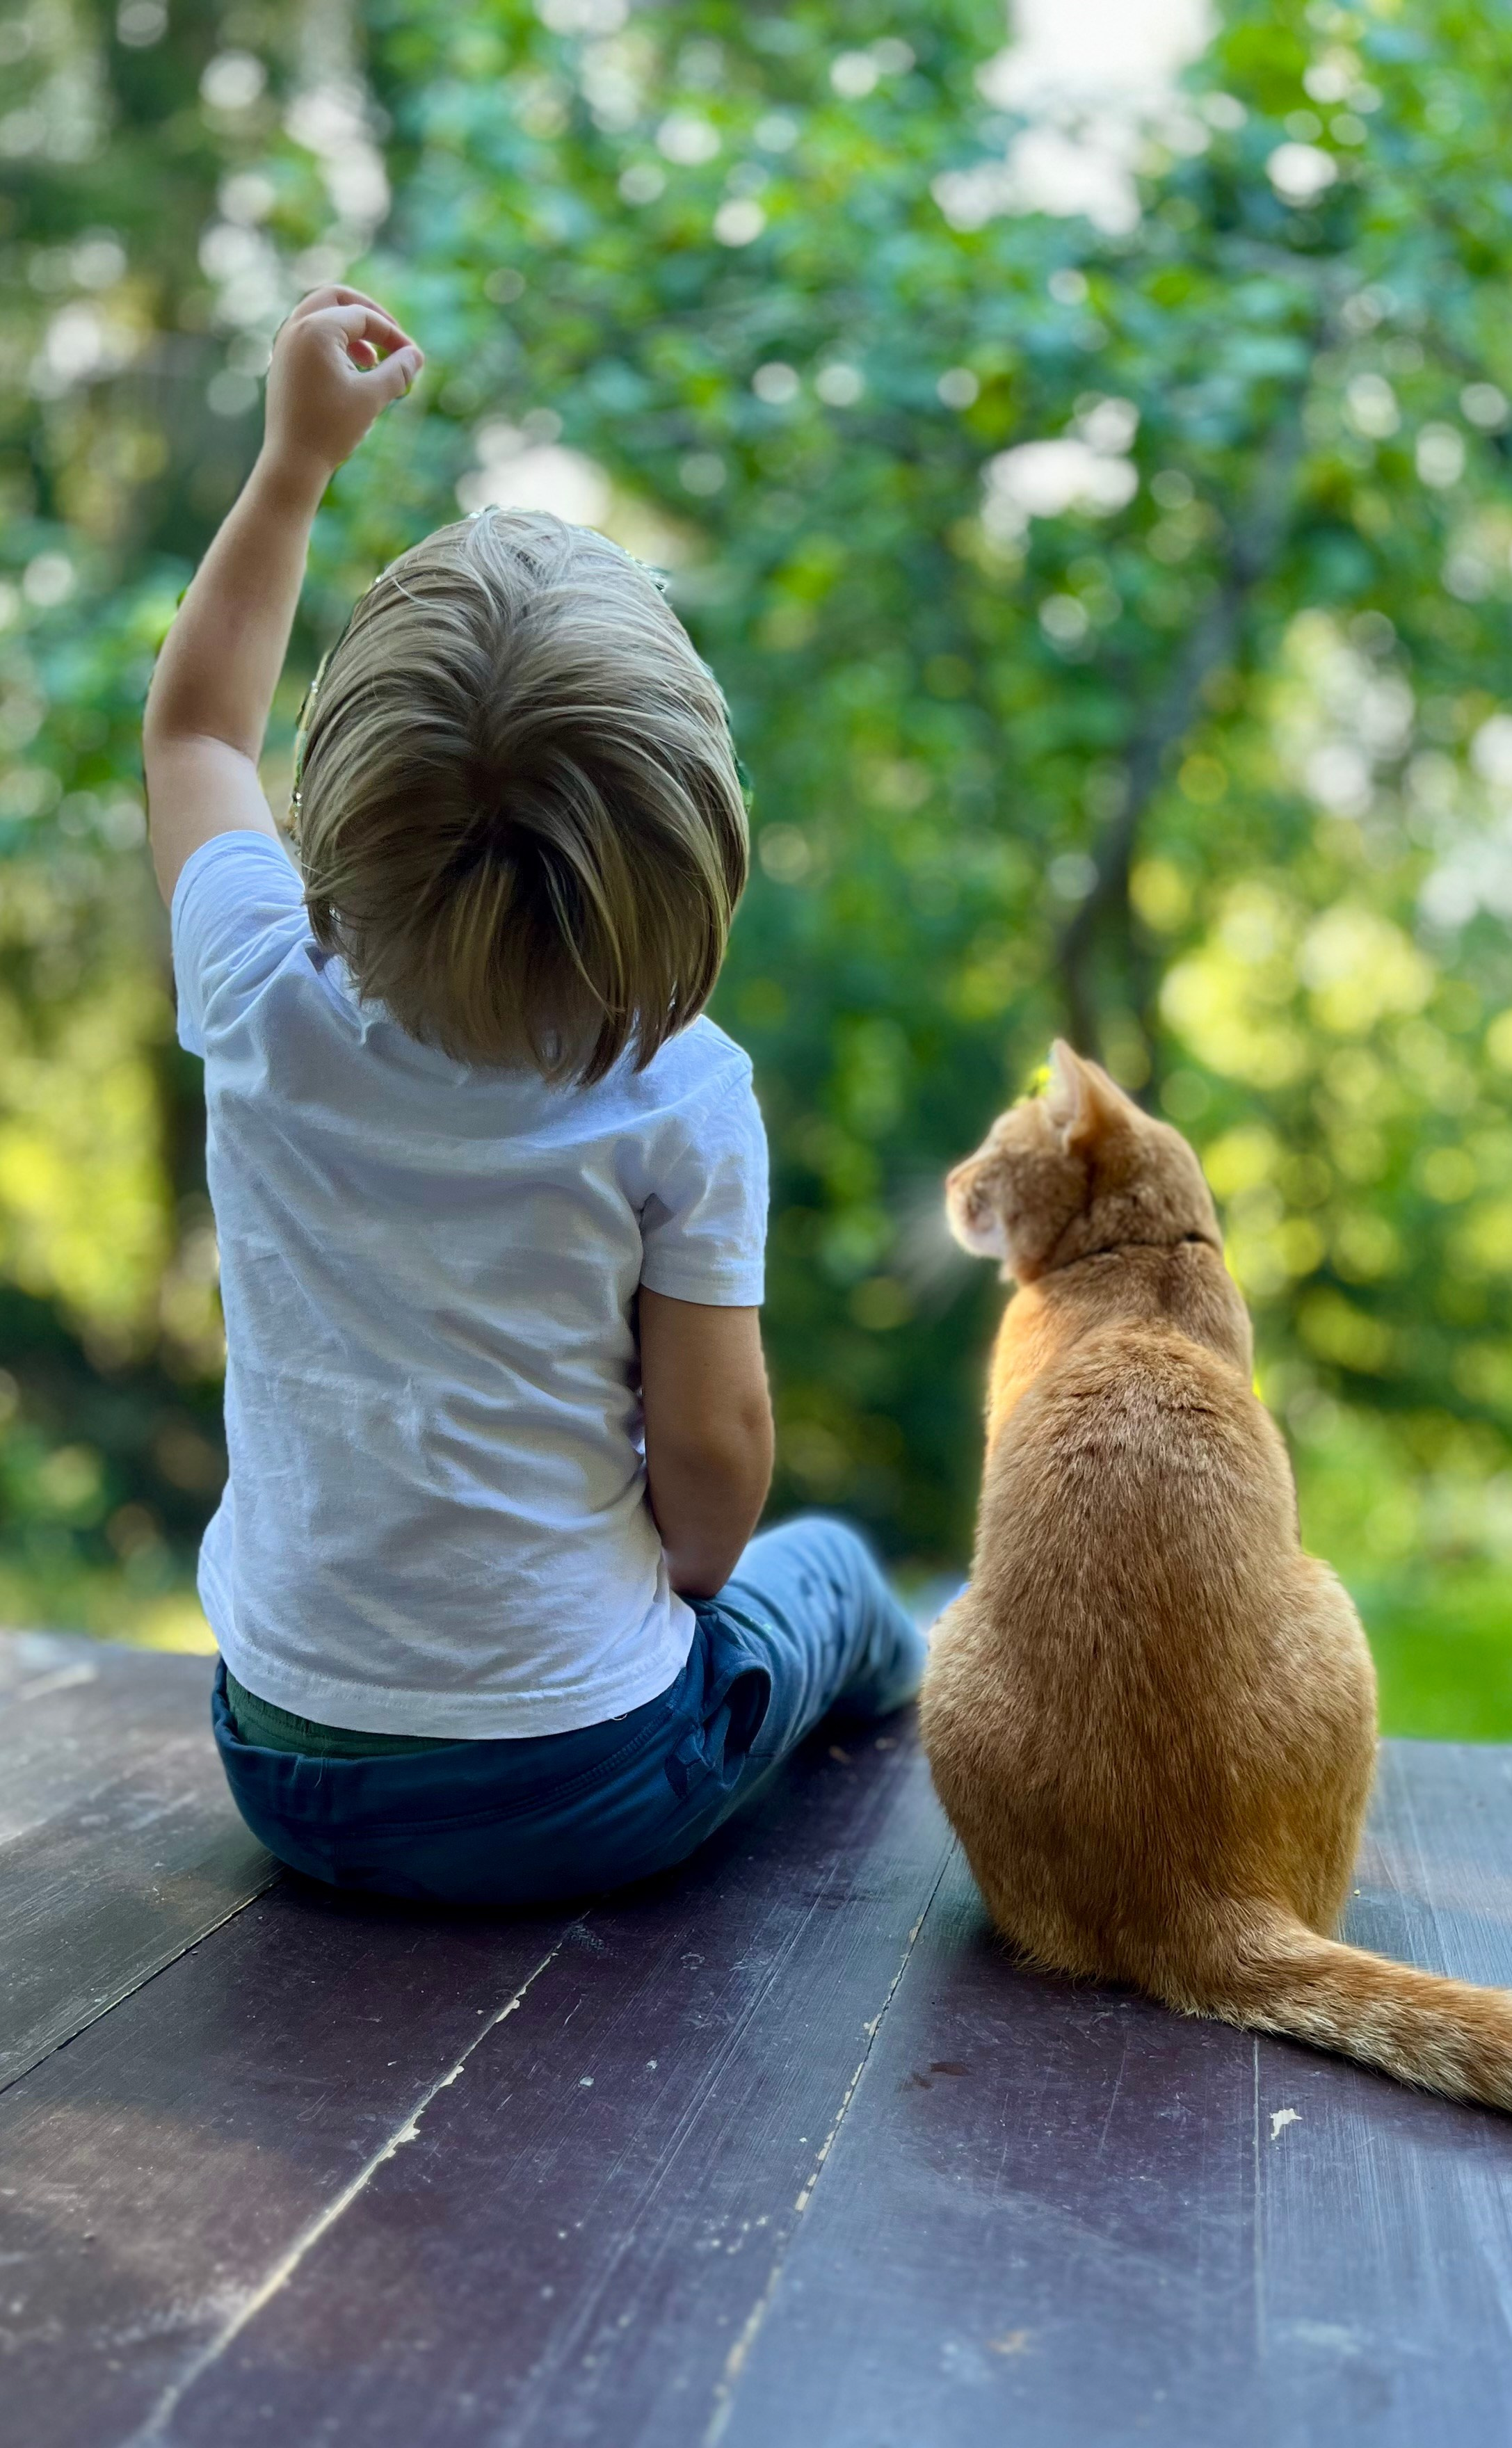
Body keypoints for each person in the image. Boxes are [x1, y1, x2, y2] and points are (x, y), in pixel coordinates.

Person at [142, 284, 924, 1906]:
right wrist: (675, 1589)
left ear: (344, 801)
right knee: (832, 1580)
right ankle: (926, 1670)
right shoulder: (678, 1090)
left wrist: (294, 466)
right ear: (682, 845)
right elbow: (711, 1457)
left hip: (283, 1756)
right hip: (579, 1778)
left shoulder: (256, 982)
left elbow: (196, 729)